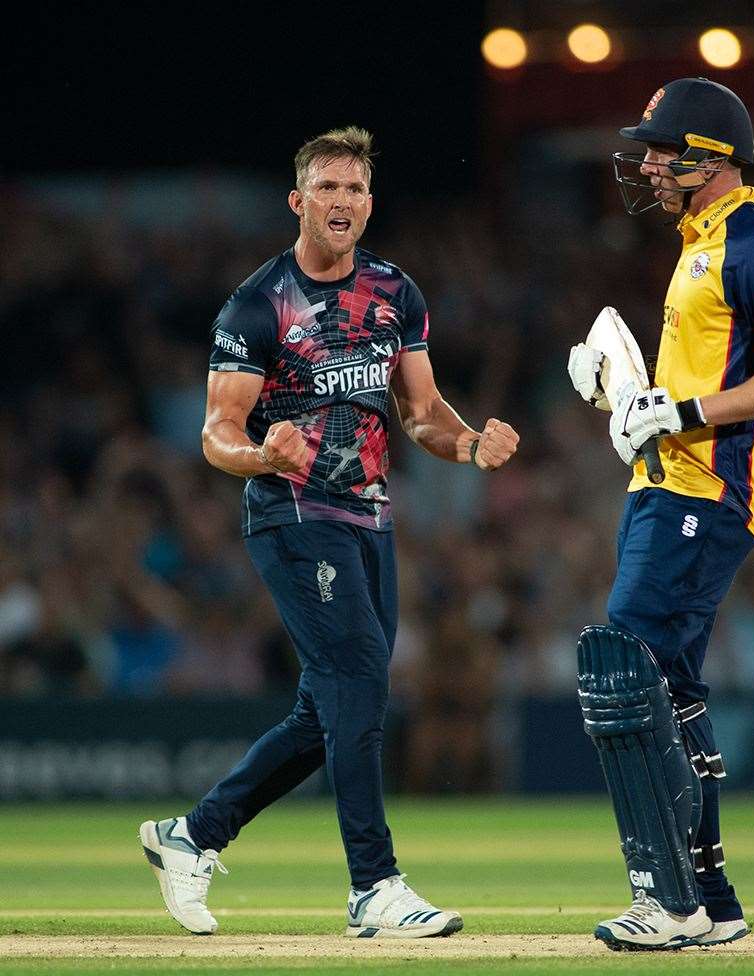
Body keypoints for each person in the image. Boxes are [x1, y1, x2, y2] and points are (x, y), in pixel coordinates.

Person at [139, 126, 519, 939]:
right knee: (358, 685)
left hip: (371, 520)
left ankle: (192, 836)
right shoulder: (257, 302)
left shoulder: (396, 292)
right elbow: (215, 432)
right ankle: (373, 886)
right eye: (328, 188)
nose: (342, 202)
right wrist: (256, 454)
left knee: (331, 709)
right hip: (294, 515)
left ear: (369, 203)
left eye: (355, 189)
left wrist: (470, 445)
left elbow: (421, 413)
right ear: (298, 201)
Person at [568, 77, 754, 951]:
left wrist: (681, 415)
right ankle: (711, 900)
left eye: (660, 147)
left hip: (703, 492)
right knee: (670, 691)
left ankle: (667, 900)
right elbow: (706, 373)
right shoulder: (703, 238)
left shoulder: (749, 241)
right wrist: (625, 391)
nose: (646, 162)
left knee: (625, 668)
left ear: (707, 158)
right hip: (668, 485)